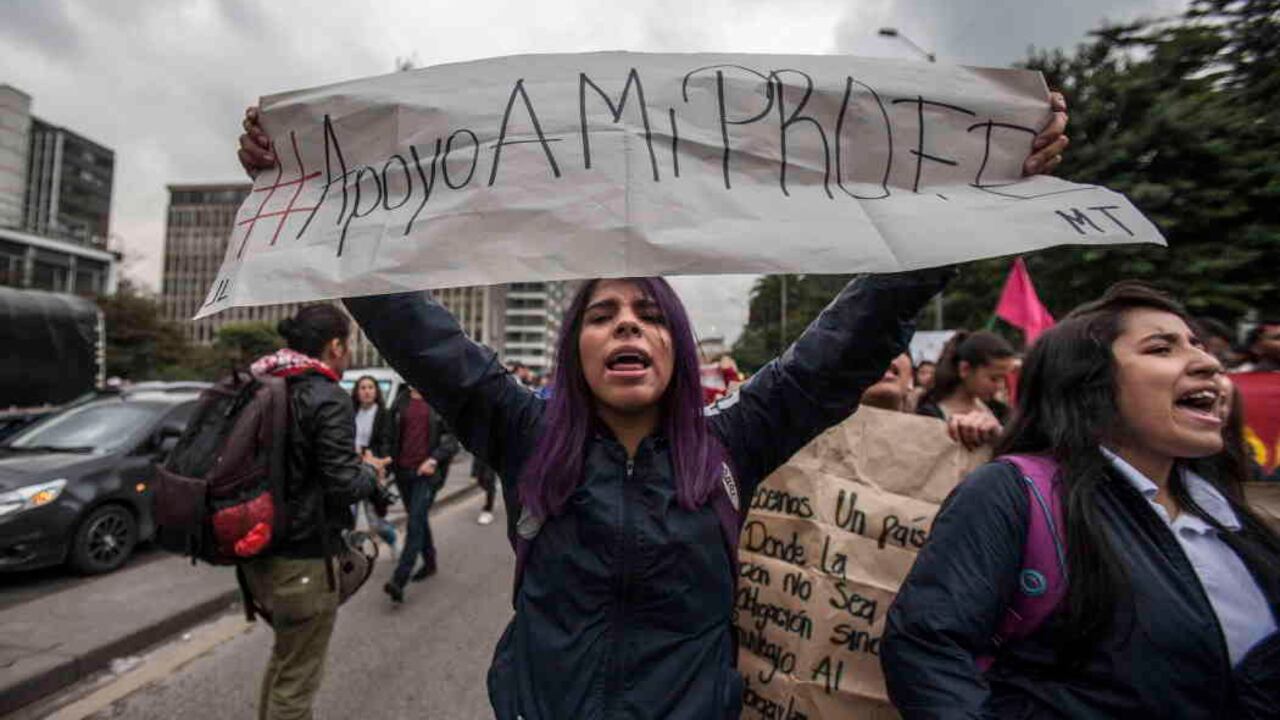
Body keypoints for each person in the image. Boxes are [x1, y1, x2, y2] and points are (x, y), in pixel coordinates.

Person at [240, 91, 1069, 719]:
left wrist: (973, 201)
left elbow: (848, 339)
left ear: (675, 346)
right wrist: (314, 195)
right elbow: (410, 324)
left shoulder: (735, 442)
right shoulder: (523, 433)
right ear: (577, 349)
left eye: (647, 314)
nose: (626, 326)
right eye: (603, 315)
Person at [882, 282, 1280, 718]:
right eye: (1161, 349)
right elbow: (929, 649)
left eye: (1197, 345)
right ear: (1087, 382)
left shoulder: (1228, 512)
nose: (1207, 363)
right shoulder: (1015, 494)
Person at [242, 304, 379, 720]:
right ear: (335, 346)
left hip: (259, 552)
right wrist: (369, 474)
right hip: (304, 560)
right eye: (348, 343)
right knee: (297, 682)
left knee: (285, 663)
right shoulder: (326, 396)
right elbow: (343, 484)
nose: (349, 351)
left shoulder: (261, 385)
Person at [383, 385, 459, 603]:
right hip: (402, 473)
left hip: (427, 475)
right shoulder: (400, 401)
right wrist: (386, 464)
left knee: (414, 523)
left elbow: (452, 439)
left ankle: (399, 580)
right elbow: (389, 435)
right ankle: (430, 561)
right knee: (419, 519)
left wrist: (434, 459)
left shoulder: (438, 401)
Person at [916, 330, 1017, 449]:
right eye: (994, 378)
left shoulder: (1000, 411)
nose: (999, 386)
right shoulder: (929, 415)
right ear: (965, 369)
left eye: (1003, 379)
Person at [350, 376, 397, 549]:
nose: (367, 391)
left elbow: (387, 442)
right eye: (362, 387)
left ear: (376, 391)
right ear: (357, 392)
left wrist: (378, 461)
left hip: (373, 470)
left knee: (375, 522)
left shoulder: (384, 414)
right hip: (351, 470)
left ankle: (393, 539)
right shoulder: (351, 412)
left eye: (370, 387)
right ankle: (353, 559)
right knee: (349, 517)